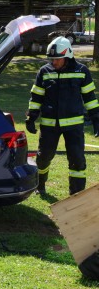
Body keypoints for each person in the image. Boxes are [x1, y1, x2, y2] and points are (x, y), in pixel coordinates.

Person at [25, 36, 99, 195]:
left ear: (68, 55)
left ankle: (77, 194)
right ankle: (40, 186)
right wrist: (31, 117)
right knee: (43, 158)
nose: (54, 62)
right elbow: (36, 96)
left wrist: (96, 120)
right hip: (49, 125)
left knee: (77, 160)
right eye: (51, 59)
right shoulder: (44, 71)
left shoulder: (81, 71)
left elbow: (90, 99)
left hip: (74, 127)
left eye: (57, 59)